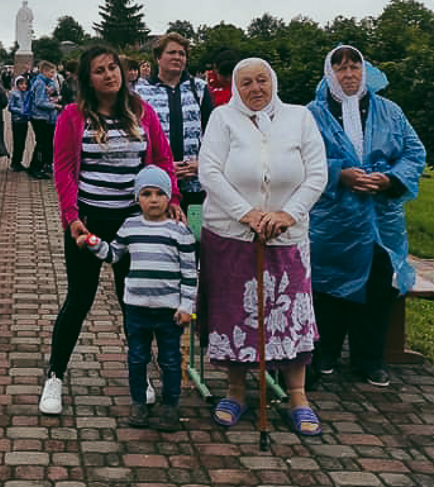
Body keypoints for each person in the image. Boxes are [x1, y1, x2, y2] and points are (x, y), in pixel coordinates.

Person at [39, 44, 180, 416]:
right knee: (79, 298)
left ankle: (140, 373)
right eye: (100, 70)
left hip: (134, 223)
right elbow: (63, 169)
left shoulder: (141, 112)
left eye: (113, 67)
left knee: (133, 300)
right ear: (88, 79)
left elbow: (162, 159)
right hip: (89, 220)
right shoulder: (73, 117)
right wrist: (71, 216)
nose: (109, 75)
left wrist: (173, 198)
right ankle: (55, 375)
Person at [198, 58, 327, 435]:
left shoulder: (299, 117)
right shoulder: (222, 118)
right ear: (236, 88)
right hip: (232, 233)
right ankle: (235, 392)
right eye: (246, 83)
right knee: (234, 314)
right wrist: (247, 214)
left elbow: (317, 173)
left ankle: (298, 396)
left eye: (262, 80)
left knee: (291, 315)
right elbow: (210, 172)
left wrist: (288, 214)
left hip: (287, 234)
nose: (256, 88)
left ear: (273, 82)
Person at [307, 45, 426, 386]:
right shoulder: (312, 115)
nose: (348, 74)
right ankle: (325, 352)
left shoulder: (390, 111)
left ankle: (369, 359)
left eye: (354, 66)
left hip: (380, 218)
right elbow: (299, 157)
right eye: (340, 68)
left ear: (364, 70)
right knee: (328, 287)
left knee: (378, 285)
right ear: (330, 74)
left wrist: (390, 179)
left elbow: (414, 152)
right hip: (333, 218)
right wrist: (338, 174)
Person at [81, 165, 197, 431]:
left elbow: (190, 272)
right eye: (146, 194)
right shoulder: (130, 226)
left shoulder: (180, 231)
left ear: (169, 196)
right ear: (137, 198)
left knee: (170, 359)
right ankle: (138, 403)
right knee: (137, 358)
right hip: (136, 308)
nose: (154, 200)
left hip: (169, 310)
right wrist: (92, 242)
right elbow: (114, 254)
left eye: (160, 193)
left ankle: (170, 405)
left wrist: (186, 305)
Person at [136, 33, 214, 211]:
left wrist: (202, 163)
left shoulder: (199, 88)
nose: (177, 57)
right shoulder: (141, 91)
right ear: (158, 57)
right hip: (156, 184)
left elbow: (213, 133)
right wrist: (161, 166)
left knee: (194, 227)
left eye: (182, 54)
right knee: (160, 227)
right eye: (171, 52)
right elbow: (137, 136)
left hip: (194, 183)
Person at [27, 61, 61, 179]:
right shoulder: (41, 84)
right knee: (42, 143)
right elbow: (39, 102)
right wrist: (54, 106)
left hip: (40, 116)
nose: (52, 75)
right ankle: (36, 168)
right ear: (44, 71)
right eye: (51, 72)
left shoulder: (40, 81)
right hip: (39, 117)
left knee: (42, 143)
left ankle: (36, 166)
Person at [8, 75, 30, 172]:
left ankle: (18, 161)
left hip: (24, 120)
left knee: (22, 143)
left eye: (25, 84)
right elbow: (10, 107)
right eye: (21, 84)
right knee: (17, 142)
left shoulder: (27, 94)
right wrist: (20, 111)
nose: (24, 86)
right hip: (17, 120)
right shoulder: (14, 94)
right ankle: (15, 162)